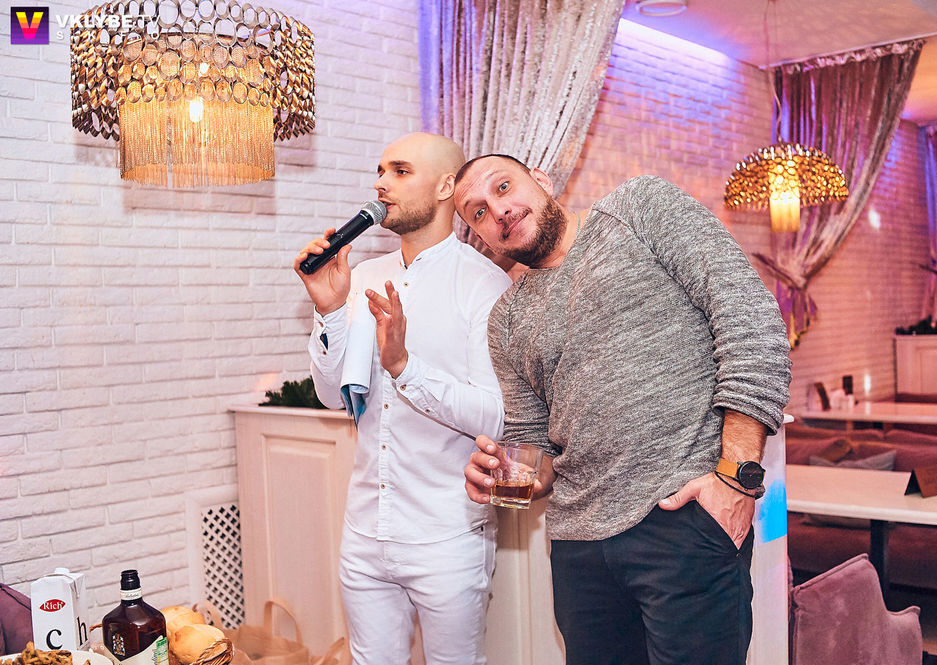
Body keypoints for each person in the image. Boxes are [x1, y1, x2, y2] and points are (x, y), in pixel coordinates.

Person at [454, 154, 792, 665]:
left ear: (541, 179)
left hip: (683, 520)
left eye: (503, 187)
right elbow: (536, 448)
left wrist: (737, 480)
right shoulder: (505, 319)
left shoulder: (638, 208)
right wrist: (505, 474)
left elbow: (750, 320)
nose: (497, 210)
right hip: (579, 551)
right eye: (478, 212)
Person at [294, 134, 512, 665]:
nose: (381, 184)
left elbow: (495, 416)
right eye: (380, 171)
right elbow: (332, 396)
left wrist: (404, 368)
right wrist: (329, 311)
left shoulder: (484, 285)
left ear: (445, 187)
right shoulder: (363, 277)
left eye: (400, 171)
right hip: (365, 532)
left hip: (447, 534)